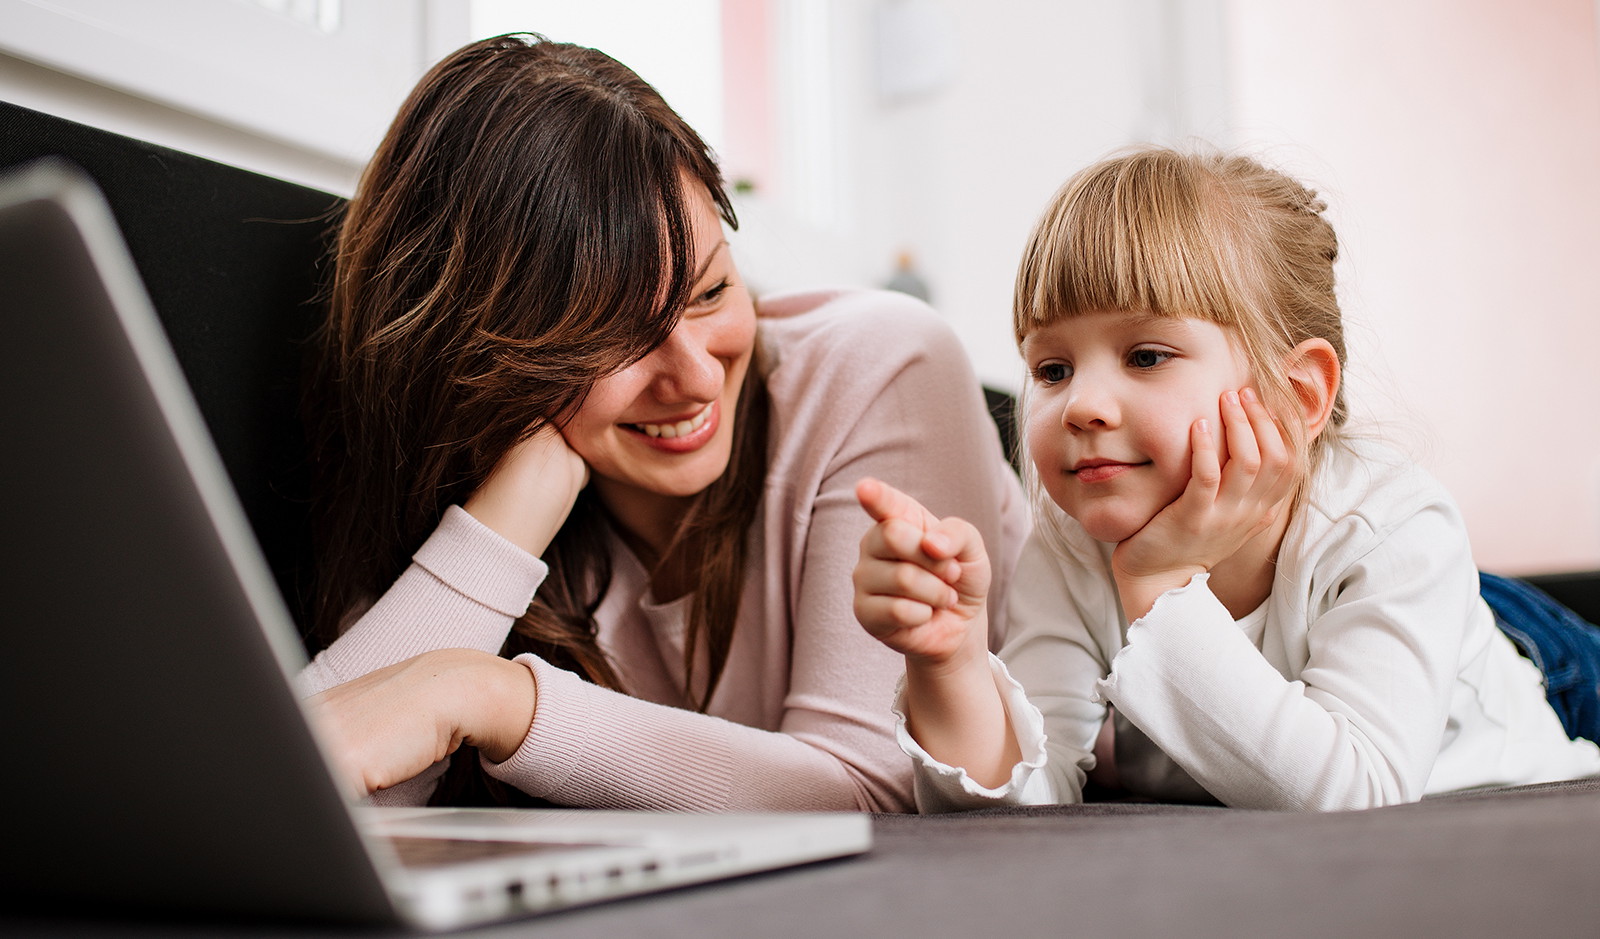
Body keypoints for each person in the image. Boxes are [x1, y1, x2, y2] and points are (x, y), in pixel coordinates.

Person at [295, 34, 1027, 813]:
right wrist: (506, 523)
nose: (700, 377)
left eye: (711, 292)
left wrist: (493, 697)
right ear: (490, 355)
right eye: (616, 337)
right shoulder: (488, 476)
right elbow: (294, 797)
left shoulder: (885, 364)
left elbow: (875, 794)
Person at [852, 145, 1600, 812]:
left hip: (1525, 673)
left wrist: (1162, 580)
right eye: (1052, 367)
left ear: (1300, 395)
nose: (1080, 403)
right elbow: (1035, 797)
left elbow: (1356, 793)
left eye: (1146, 355)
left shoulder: (1393, 523)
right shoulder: (1075, 542)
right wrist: (947, 661)